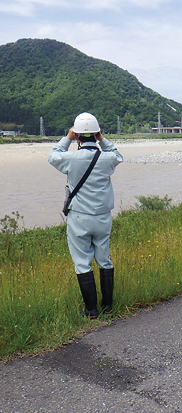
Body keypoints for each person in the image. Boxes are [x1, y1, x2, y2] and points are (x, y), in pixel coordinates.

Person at [48, 112, 123, 319]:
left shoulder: (70, 158)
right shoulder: (107, 158)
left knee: (82, 262)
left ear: (77, 136)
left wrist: (67, 138)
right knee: (104, 260)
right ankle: (108, 306)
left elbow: (53, 156)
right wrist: (102, 139)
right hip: (103, 217)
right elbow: (118, 155)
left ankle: (91, 311)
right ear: (96, 134)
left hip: (79, 217)